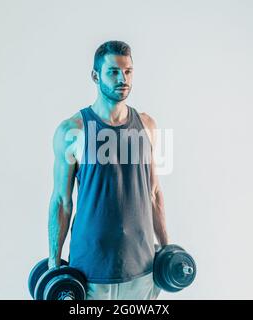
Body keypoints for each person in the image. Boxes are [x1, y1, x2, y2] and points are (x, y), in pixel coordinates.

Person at [47, 40, 169, 300]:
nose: (122, 79)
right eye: (113, 72)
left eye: (128, 71)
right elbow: (61, 201)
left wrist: (168, 249)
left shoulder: (147, 125)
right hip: (90, 271)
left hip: (142, 270)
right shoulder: (73, 131)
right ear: (95, 76)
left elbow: (154, 192)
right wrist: (53, 264)